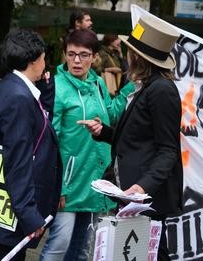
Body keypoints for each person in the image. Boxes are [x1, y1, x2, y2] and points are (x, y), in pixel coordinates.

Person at [80, 15, 183, 261]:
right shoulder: (147, 86)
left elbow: (168, 149)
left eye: (130, 50)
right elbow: (138, 137)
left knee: (152, 254)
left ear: (137, 57)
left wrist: (141, 187)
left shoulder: (161, 90)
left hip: (146, 200)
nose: (126, 54)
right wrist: (104, 132)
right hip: (133, 196)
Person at [0, 29, 62, 261]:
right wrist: (30, 216)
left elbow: (36, 130)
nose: (45, 63)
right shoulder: (19, 98)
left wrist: (45, 92)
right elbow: (18, 162)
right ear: (33, 61)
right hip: (7, 215)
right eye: (43, 58)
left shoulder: (6, 87)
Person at [39, 29, 126, 261]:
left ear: (94, 57)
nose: (77, 60)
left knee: (83, 249)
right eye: (71, 54)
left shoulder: (97, 83)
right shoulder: (56, 86)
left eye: (84, 55)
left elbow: (112, 113)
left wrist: (131, 86)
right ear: (65, 55)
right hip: (68, 182)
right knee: (59, 244)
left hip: (95, 178)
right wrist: (59, 186)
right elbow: (49, 139)